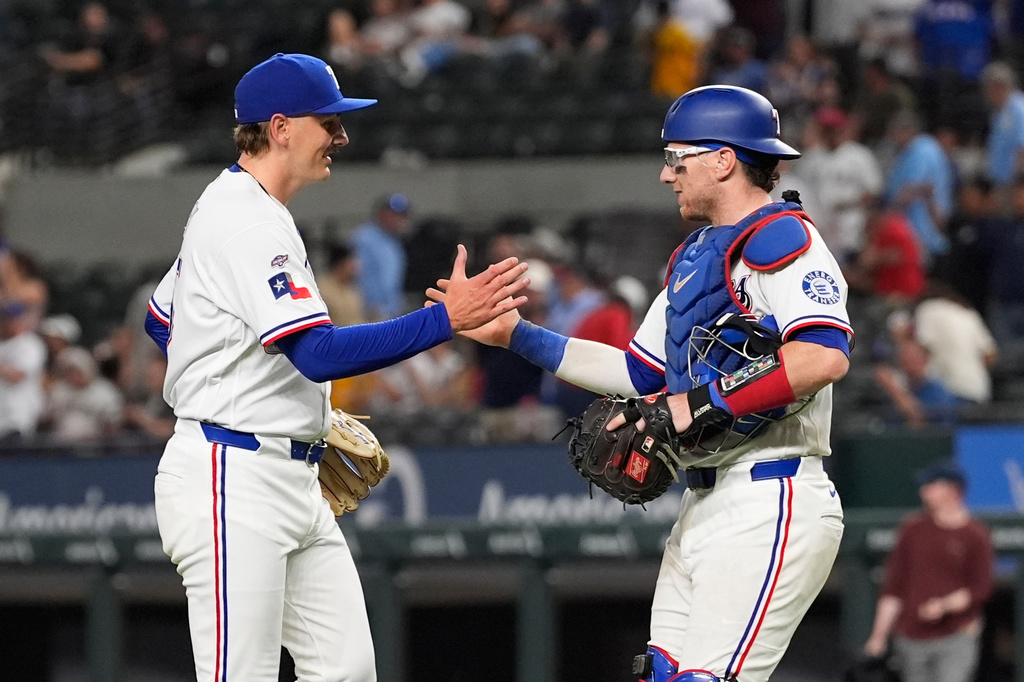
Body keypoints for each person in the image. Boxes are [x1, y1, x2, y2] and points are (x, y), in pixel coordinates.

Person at [429, 85, 850, 682]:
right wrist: (519, 336)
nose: (665, 174)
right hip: (705, 499)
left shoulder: (785, 239)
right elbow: (638, 374)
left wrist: (692, 407)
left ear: (723, 159)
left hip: (773, 490)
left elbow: (823, 357)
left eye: (678, 158)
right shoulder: (696, 255)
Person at [142, 53, 530, 682]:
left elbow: (164, 320)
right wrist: (444, 320)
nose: (342, 137)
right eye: (329, 121)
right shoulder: (243, 220)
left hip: (288, 474)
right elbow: (317, 353)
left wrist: (248, 390)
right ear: (281, 127)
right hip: (231, 476)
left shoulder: (240, 208)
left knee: (347, 670)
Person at [863, 461, 994, 682]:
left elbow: (980, 589)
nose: (924, 491)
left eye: (931, 485)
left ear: (952, 490)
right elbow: (893, 587)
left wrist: (943, 606)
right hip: (910, 637)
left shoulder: (976, 535)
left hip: (955, 636)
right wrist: (878, 636)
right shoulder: (912, 530)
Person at [351, 191, 411, 321]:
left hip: (391, 311)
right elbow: (354, 275)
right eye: (393, 214)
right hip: (368, 310)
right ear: (381, 213)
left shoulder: (394, 241)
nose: (397, 219)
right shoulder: (363, 238)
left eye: (401, 215)